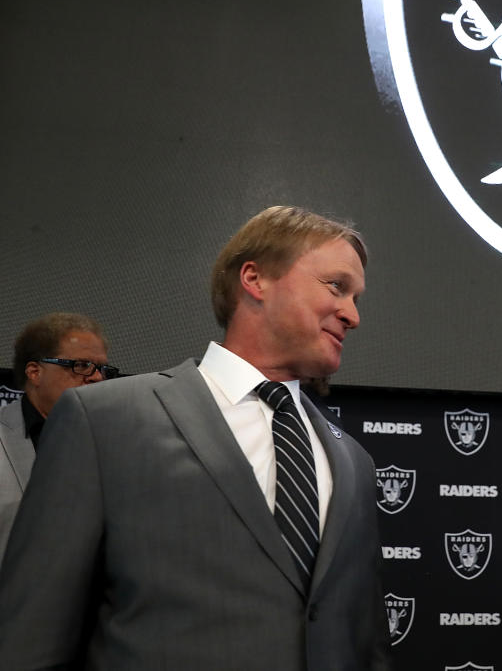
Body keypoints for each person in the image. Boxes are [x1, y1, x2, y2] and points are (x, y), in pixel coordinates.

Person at [0, 206, 391, 670]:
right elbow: (31, 639)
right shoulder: (105, 420)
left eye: (356, 298)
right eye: (337, 286)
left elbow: (366, 645)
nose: (352, 315)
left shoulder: (355, 462)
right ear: (255, 278)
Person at [0, 312, 114, 562]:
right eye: (81, 366)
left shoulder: (117, 444)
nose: (97, 377)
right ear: (34, 372)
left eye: (103, 369)